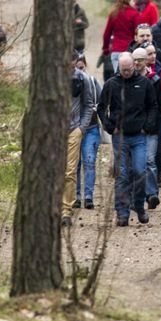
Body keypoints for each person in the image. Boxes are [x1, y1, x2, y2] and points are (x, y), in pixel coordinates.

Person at [97, 52, 158, 226]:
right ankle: (122, 213)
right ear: (119, 68)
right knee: (122, 175)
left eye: (129, 69)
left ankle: (138, 205)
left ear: (134, 66)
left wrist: (147, 126)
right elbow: (101, 108)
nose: (126, 72)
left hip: (139, 135)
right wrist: (110, 126)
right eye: (123, 70)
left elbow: (153, 106)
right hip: (120, 136)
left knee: (140, 171)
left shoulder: (144, 83)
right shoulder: (112, 84)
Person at [62, 56, 99, 226]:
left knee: (70, 170)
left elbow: (89, 103)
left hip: (73, 130)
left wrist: (81, 128)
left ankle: (66, 211)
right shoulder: (50, 76)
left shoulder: (81, 78)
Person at [138, 46, 161, 209]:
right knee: (136, 164)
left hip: (152, 126)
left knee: (150, 159)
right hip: (134, 128)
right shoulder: (126, 78)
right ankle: (136, 195)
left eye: (153, 54)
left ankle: (152, 194)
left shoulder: (156, 78)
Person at [74, 53, 102, 210]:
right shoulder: (69, 83)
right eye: (77, 68)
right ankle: (76, 196)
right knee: (75, 164)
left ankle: (88, 196)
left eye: (82, 68)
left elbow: (102, 100)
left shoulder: (92, 82)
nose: (80, 72)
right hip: (73, 129)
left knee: (89, 161)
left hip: (91, 129)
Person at [102, 0, 140, 74]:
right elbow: (137, 33)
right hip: (130, 50)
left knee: (118, 77)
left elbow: (106, 34)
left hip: (116, 51)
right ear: (127, 1)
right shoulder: (134, 14)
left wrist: (105, 49)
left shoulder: (113, 14)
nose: (135, 3)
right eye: (132, 0)